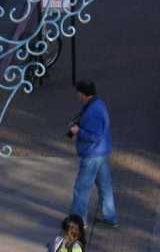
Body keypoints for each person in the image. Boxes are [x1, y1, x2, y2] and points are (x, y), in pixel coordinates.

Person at [68, 79, 118, 229]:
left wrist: (78, 132)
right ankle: (111, 217)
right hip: (102, 153)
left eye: (78, 92)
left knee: (81, 188)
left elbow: (95, 136)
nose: (77, 95)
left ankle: (79, 221)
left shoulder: (92, 110)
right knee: (104, 186)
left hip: (92, 155)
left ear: (82, 94)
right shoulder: (98, 104)